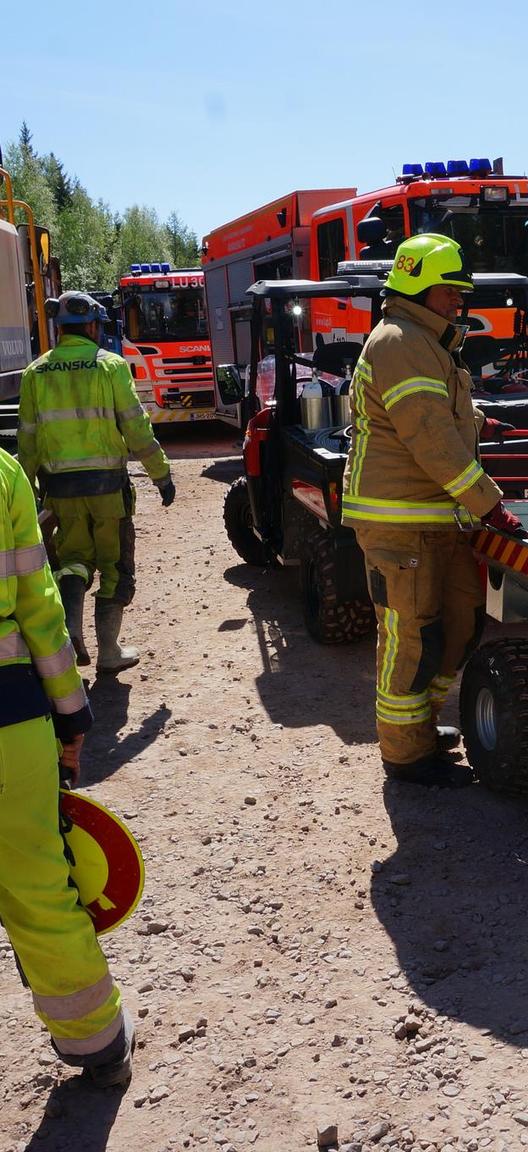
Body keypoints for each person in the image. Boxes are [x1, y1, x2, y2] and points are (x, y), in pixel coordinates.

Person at [342, 234, 525, 788]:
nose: (459, 302)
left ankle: (422, 724)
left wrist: (479, 423)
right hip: (401, 523)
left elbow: (437, 418)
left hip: (435, 519)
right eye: (450, 291)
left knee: (461, 624)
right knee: (412, 639)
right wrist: (492, 506)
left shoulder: (425, 340)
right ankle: (405, 754)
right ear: (419, 287)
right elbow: (428, 437)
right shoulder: (400, 340)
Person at [0, 447, 134, 1087]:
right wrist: (71, 713)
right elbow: (37, 608)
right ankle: (96, 1044)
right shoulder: (0, 475)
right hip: (7, 717)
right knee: (36, 885)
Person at [18, 291, 175, 675]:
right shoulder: (110, 367)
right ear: (92, 326)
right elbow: (135, 427)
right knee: (115, 565)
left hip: (61, 492)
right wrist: (161, 474)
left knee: (72, 560)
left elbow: (28, 440)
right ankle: (109, 650)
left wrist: (28, 494)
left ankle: (72, 629)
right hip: (107, 490)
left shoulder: (34, 373)